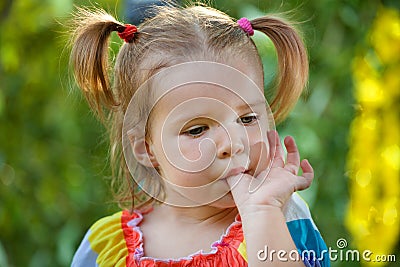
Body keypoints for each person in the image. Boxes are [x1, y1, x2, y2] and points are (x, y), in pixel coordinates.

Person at [69, 2, 330, 267]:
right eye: (197, 129)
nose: (233, 143)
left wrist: (261, 211)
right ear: (146, 149)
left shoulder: (278, 218)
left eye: (247, 118)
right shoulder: (103, 248)